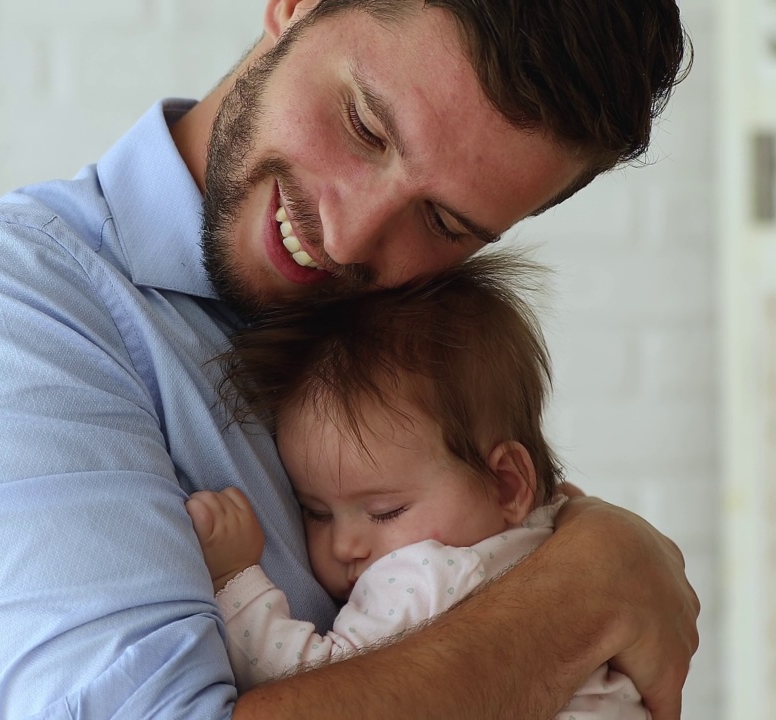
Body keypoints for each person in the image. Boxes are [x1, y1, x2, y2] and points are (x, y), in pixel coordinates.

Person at [0, 1, 698, 718]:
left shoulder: (403, 350)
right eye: (364, 127)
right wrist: (586, 592)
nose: (351, 234)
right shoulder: (3, 307)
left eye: (443, 224)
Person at [185, 255, 647, 720]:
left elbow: (309, 680)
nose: (345, 545)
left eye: (385, 511)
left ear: (507, 485)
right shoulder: (554, 530)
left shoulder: (423, 575)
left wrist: (235, 579)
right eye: (316, 512)